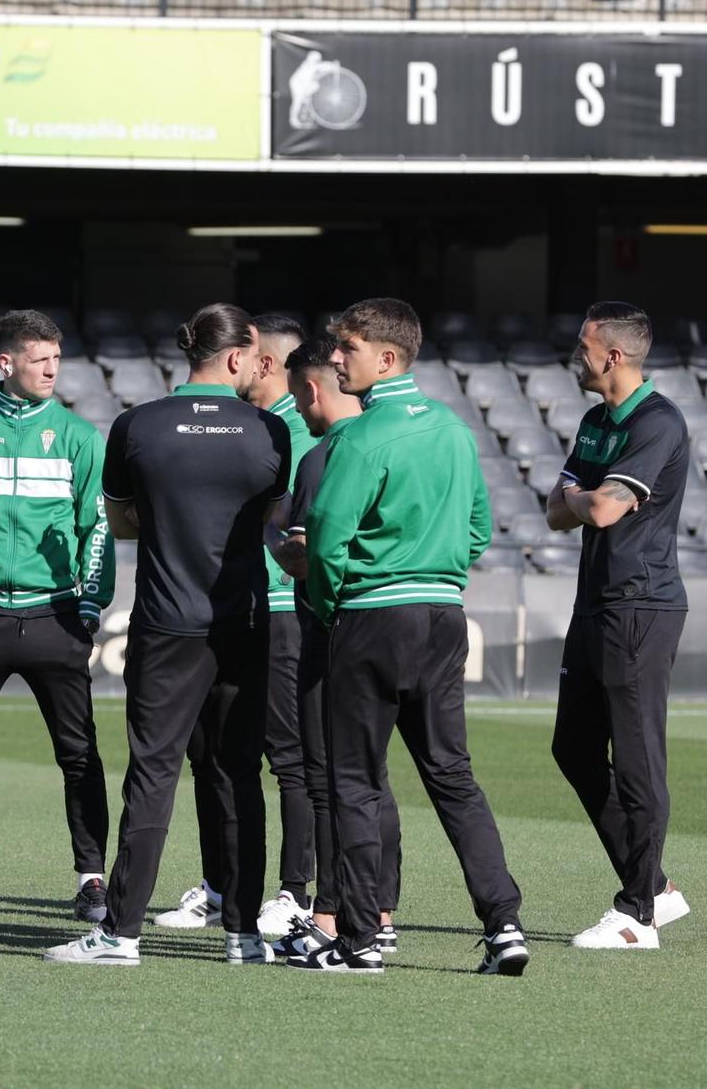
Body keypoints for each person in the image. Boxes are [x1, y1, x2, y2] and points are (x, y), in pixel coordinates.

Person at [286, 298, 528, 977]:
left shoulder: (359, 436)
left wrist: (331, 607)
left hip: (371, 616)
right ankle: (505, 923)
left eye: (348, 348)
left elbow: (327, 540)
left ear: (386, 358)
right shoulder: (453, 429)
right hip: (443, 615)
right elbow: (479, 526)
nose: (336, 359)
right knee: (454, 777)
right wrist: (436, 568)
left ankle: (359, 940)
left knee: (356, 782)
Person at [45, 304, 290, 967]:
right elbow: (271, 516)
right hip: (243, 621)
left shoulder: (137, 425)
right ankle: (243, 936)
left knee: (152, 776)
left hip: (165, 625)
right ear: (236, 356)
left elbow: (123, 522)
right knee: (240, 776)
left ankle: (121, 933)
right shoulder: (270, 429)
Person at [0, 309, 114, 925]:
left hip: (54, 617)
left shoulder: (80, 436)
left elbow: (98, 526)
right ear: (5, 363)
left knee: (80, 755)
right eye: (41, 360)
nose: (52, 370)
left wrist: (88, 604)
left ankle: (92, 879)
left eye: (57, 360)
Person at [153, 311, 308, 935]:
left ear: (261, 362)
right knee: (209, 756)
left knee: (287, 757)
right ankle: (220, 885)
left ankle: (293, 891)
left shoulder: (292, 432)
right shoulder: (242, 429)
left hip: (277, 611)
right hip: (218, 614)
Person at [547, 301, 694, 950]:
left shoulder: (658, 421)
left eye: (583, 345)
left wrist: (582, 498)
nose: (575, 355)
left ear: (612, 355)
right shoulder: (593, 420)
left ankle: (638, 913)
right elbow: (558, 511)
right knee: (572, 748)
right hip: (595, 603)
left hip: (640, 605)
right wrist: (583, 500)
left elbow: (600, 508)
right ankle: (655, 884)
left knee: (637, 761)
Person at [264, 334, 403, 959]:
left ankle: (334, 915)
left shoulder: (326, 456)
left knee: (333, 776)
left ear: (312, 389)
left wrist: (276, 540)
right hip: (404, 622)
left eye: (300, 395)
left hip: (333, 628)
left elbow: (309, 554)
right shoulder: (408, 438)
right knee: (374, 775)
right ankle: (376, 912)